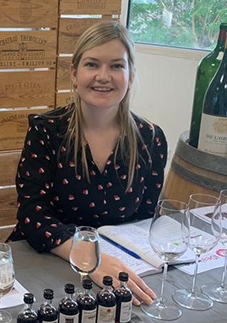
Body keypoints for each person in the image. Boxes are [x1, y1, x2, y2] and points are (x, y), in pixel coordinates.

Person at [8, 22, 166, 306]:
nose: (103, 77)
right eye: (92, 64)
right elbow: (32, 217)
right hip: (46, 263)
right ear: (74, 73)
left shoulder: (151, 139)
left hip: (117, 273)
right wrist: (92, 258)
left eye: (117, 66)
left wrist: (107, 265)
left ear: (131, 76)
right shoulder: (46, 131)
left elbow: (144, 222)